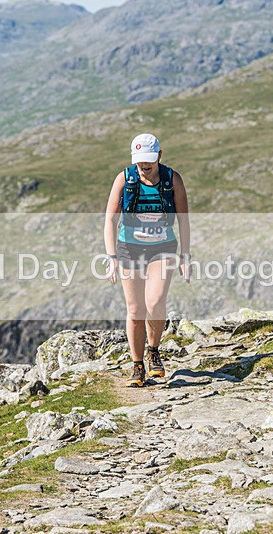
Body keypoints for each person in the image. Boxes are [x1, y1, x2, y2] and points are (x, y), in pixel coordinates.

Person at [103, 133, 190, 387]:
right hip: (129, 248)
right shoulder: (124, 179)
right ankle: (137, 365)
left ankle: (154, 350)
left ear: (159, 155)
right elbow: (110, 219)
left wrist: (185, 256)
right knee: (135, 309)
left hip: (162, 248)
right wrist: (111, 257)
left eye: (149, 160)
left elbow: (183, 219)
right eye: (140, 161)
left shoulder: (173, 180)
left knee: (155, 302)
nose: (145, 166)